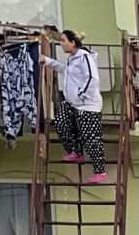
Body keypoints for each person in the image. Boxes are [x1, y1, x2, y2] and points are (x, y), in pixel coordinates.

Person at [41, 29, 108, 182]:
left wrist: (81, 94)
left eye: (64, 40)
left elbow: (92, 78)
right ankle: (75, 151)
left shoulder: (85, 57)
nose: (61, 43)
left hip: (87, 105)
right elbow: (67, 70)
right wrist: (49, 61)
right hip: (73, 103)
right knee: (60, 122)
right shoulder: (73, 58)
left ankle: (100, 172)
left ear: (73, 42)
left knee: (90, 138)